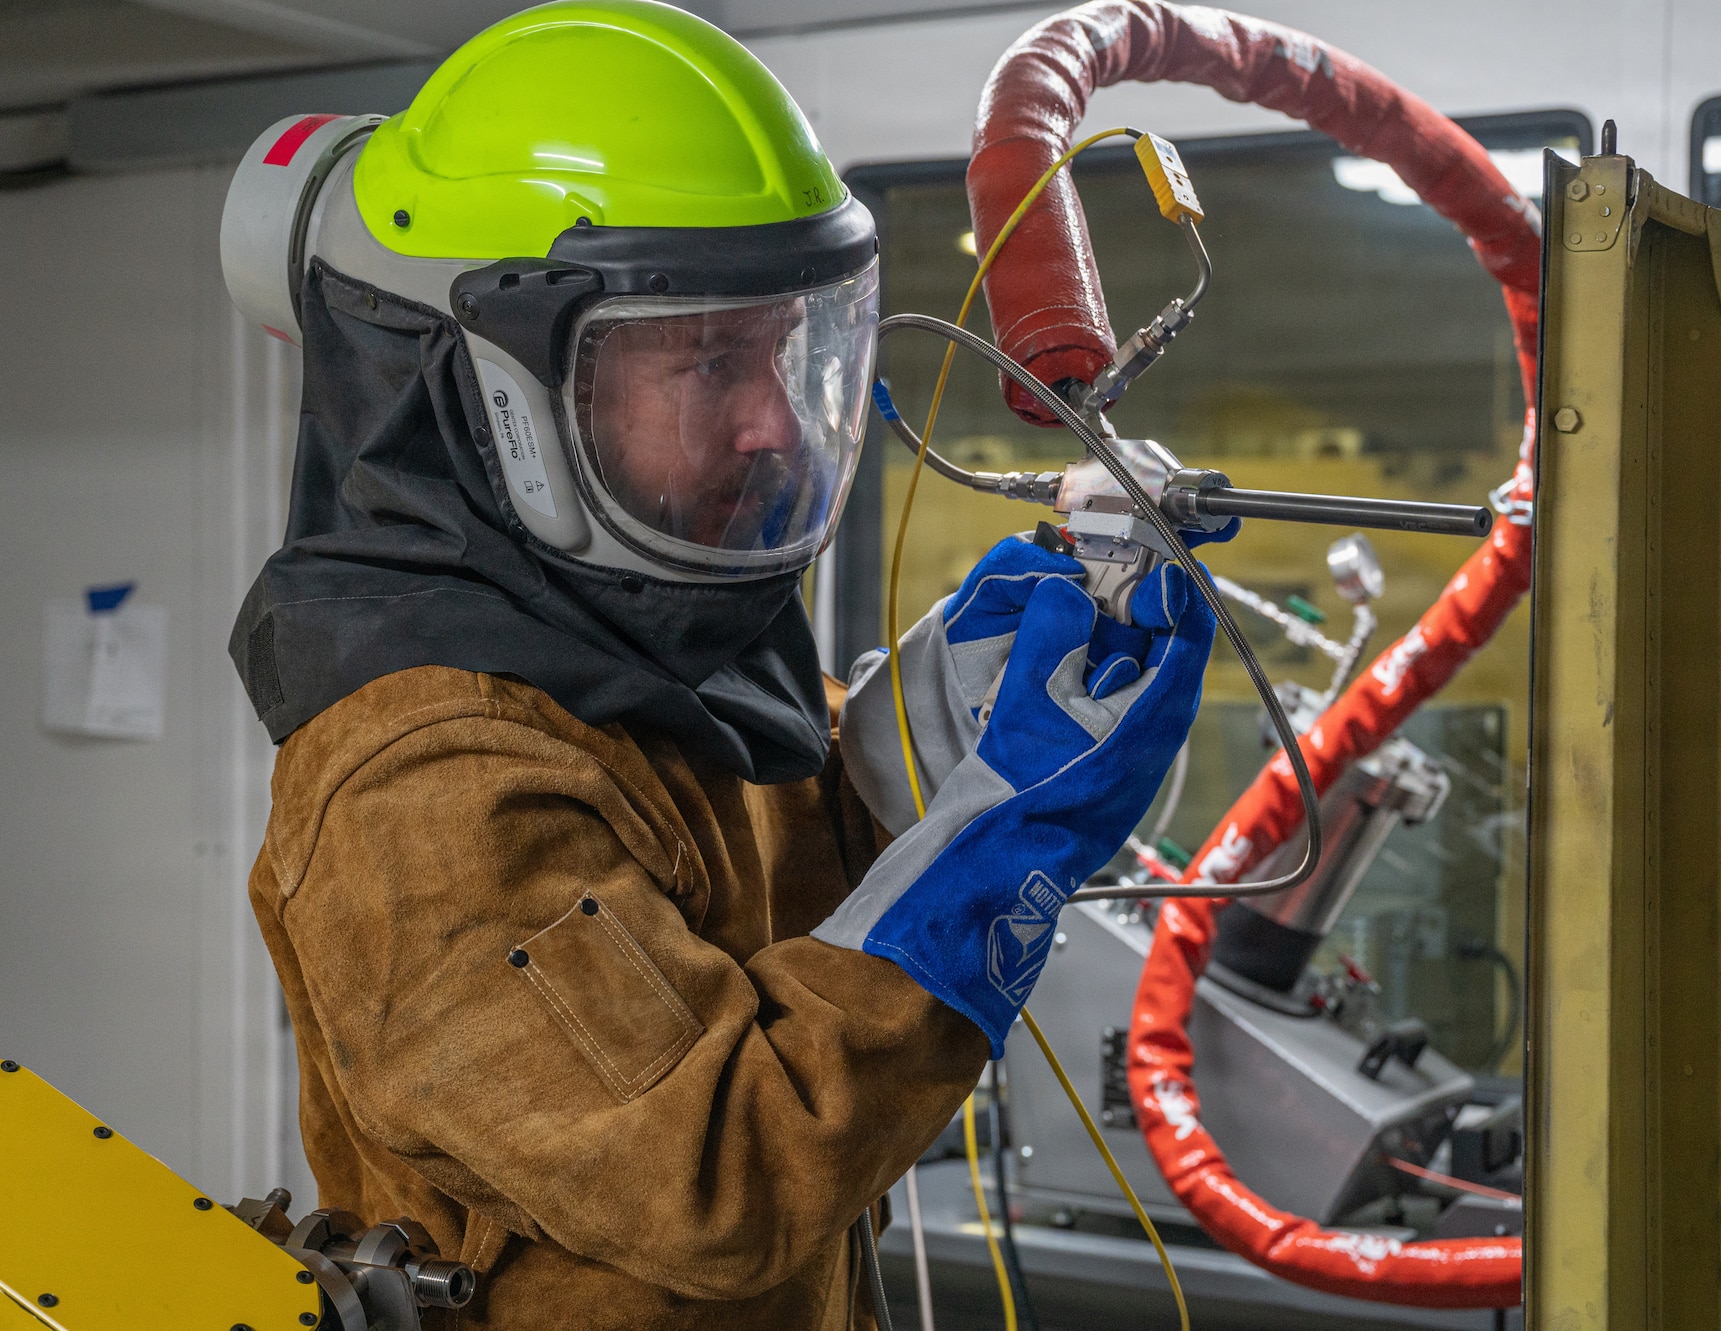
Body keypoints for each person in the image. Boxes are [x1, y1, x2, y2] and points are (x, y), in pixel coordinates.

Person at [226, 2, 1214, 1327]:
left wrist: (940, 718)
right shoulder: (426, 787)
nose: (766, 423)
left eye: (781, 350)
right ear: (501, 390)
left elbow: (763, 913)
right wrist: (999, 851)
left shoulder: (641, 656)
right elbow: (723, 1170)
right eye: (702, 359)